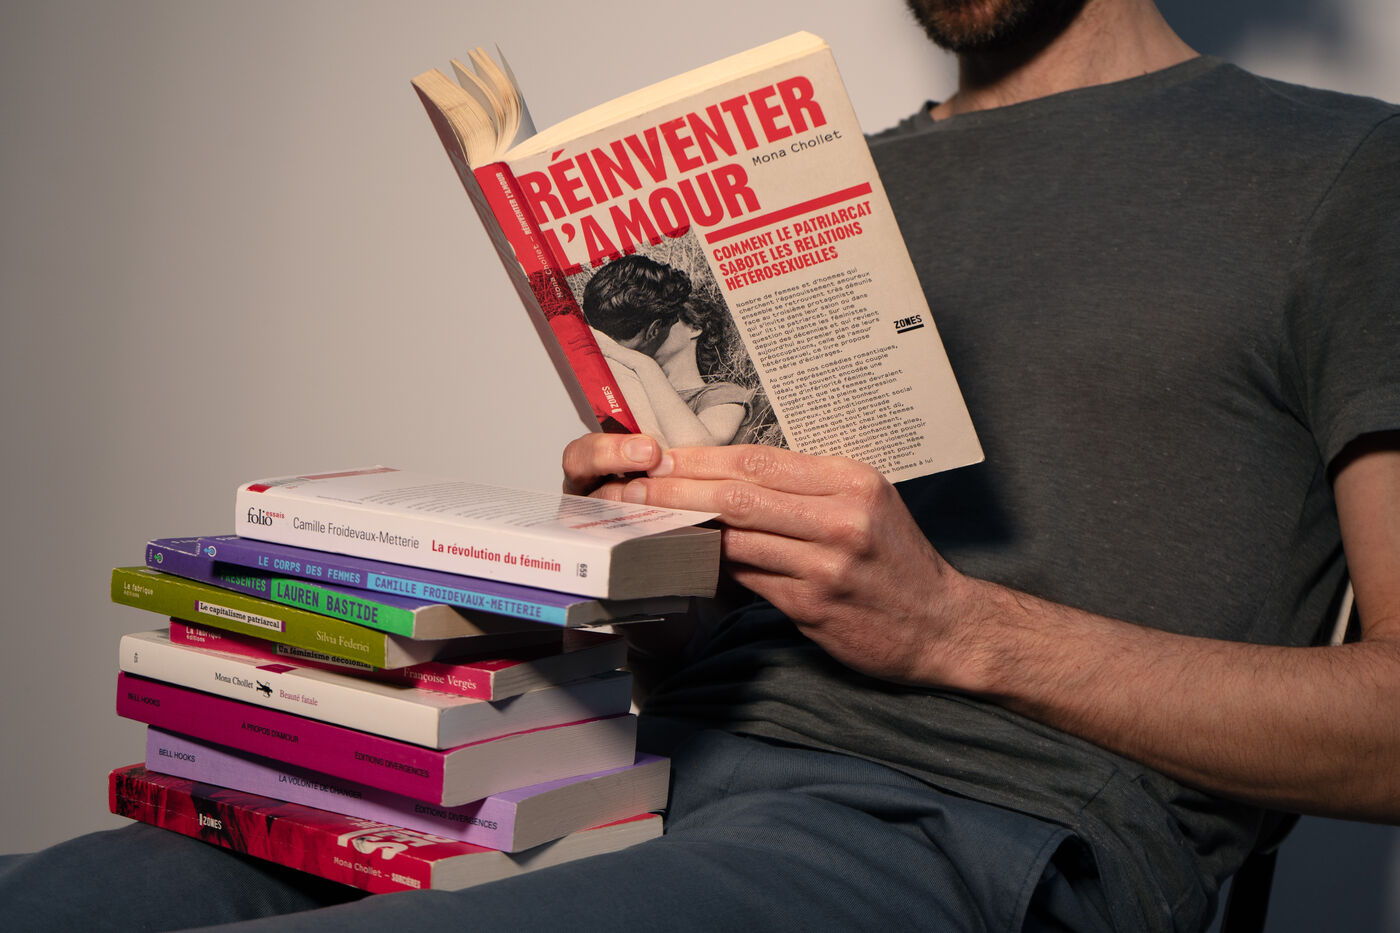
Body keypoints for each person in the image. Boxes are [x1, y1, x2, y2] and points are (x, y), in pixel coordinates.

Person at [5, 1, 1398, 930]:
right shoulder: (823, 189)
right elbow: (709, 648)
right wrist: (639, 564)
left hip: (966, 826)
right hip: (622, 770)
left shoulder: (1343, 173)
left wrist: (950, 627)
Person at [583, 253, 753, 448]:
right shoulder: (630, 385)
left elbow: (696, 449)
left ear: (694, 327)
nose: (665, 325)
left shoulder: (723, 395)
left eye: (674, 318)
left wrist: (643, 364)